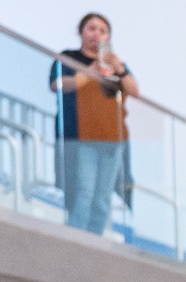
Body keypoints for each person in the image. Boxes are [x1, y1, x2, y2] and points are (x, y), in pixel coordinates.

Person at [49, 12, 138, 235]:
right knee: (84, 193)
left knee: (102, 199)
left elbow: (134, 91)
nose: (96, 33)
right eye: (91, 28)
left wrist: (119, 67)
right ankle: (75, 240)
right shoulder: (69, 58)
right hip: (81, 137)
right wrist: (90, 72)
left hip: (112, 139)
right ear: (81, 32)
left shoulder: (114, 65)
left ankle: (95, 242)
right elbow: (57, 84)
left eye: (102, 30)